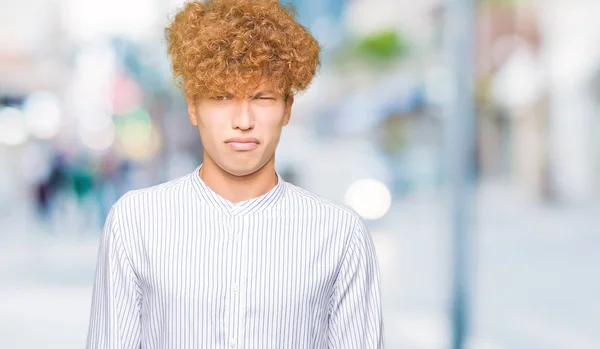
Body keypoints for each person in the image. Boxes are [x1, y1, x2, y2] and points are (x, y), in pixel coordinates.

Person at [86, 0, 384, 348]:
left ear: (287, 108)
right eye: (223, 96)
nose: (243, 120)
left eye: (262, 98)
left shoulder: (340, 235)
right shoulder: (136, 221)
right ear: (193, 107)